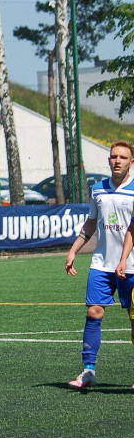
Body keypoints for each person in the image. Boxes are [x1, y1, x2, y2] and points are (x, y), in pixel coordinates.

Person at [64, 140, 134, 389]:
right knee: (93, 312)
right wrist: (73, 250)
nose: (117, 161)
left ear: (131, 163)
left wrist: (125, 260)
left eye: (123, 158)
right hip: (102, 263)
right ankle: (88, 370)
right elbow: (90, 224)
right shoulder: (98, 190)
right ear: (108, 160)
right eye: (114, 156)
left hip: (132, 267)